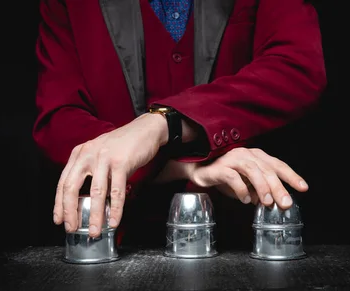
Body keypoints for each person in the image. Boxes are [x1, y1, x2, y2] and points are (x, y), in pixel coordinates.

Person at [32, 0, 326, 245]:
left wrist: (161, 125)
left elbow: (296, 66)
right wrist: (186, 164)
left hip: (251, 237)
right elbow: (59, 119)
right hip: (111, 243)